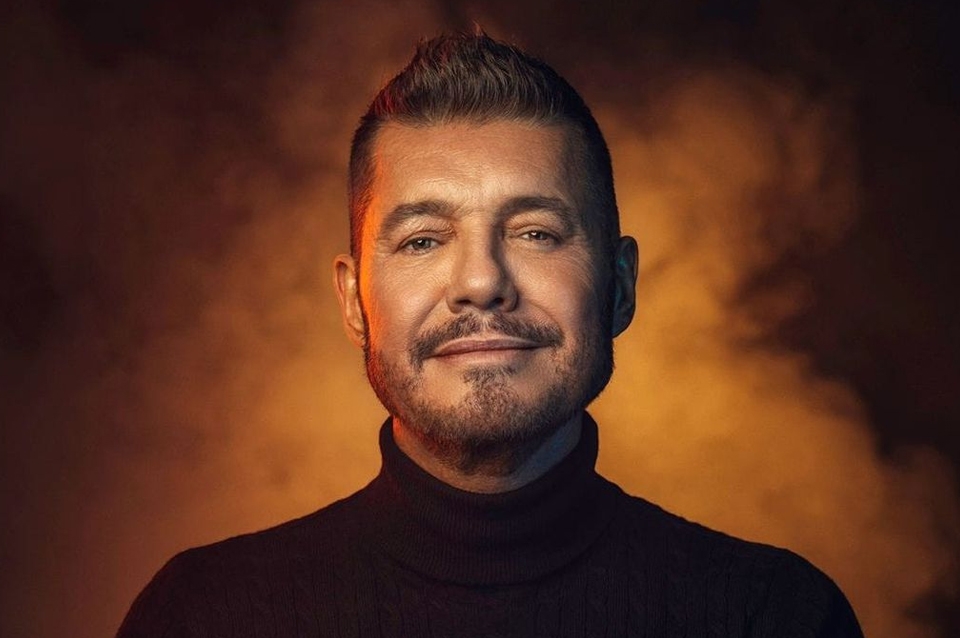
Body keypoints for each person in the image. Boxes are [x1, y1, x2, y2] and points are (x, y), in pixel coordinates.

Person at [117, 31, 864, 637]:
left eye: (536, 232)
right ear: (353, 302)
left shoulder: (773, 617)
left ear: (620, 287)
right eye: (422, 240)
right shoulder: (203, 616)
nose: (481, 281)